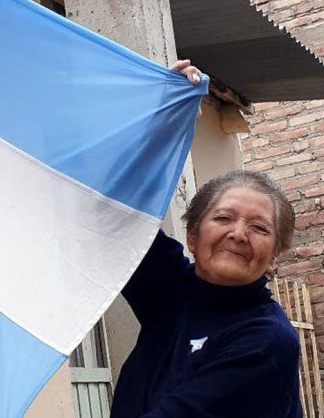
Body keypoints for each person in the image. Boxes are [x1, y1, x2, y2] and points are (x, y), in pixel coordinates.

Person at [110, 64, 302, 417]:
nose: (238, 234)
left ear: (275, 255)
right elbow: (114, 202)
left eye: (260, 228)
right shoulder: (173, 290)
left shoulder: (267, 339)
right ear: (193, 236)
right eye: (224, 218)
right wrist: (163, 120)